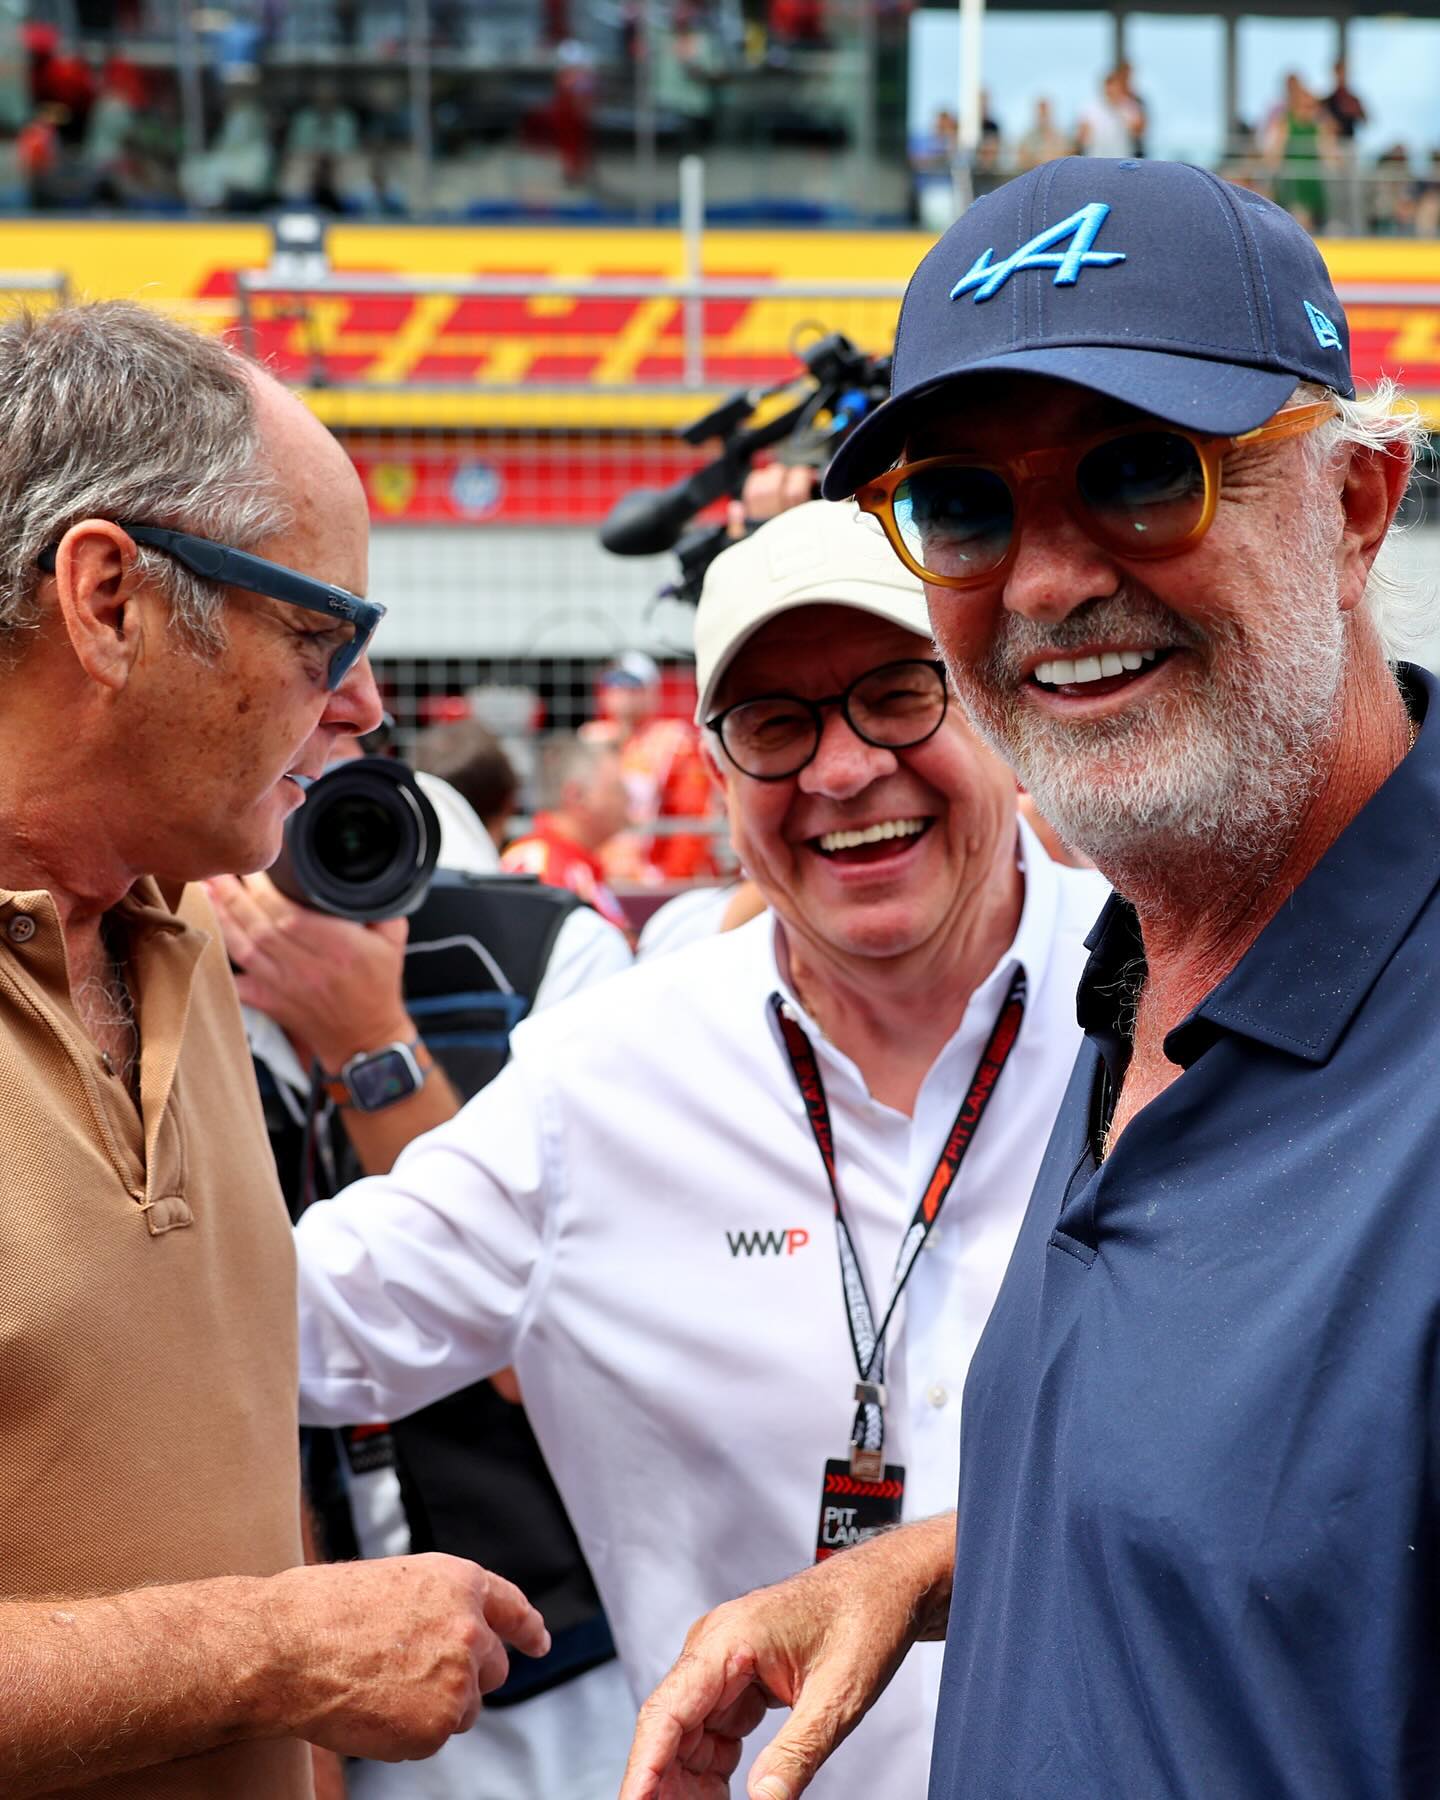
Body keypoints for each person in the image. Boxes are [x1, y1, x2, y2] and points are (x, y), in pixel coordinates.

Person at [624, 156, 1435, 1800]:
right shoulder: (1138, 954)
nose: (1049, 580)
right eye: (968, 507)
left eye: (1143, 474)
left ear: (1354, 506)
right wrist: (936, 1569)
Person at [293, 498, 1108, 1800]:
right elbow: (268, 1331)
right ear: (720, 780)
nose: (842, 771)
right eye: (777, 725)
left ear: (994, 712)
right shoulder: (600, 1080)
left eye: (898, 696)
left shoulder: (1183, 996)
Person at [0, 299, 549, 1798]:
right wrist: (276, 1655)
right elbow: (277, 1620)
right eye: (321, 634)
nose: (364, 706)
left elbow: (231, 1455)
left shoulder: (184, 935)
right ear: (107, 600)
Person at [586, 650, 723, 882]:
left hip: (652, 876)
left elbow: (691, 817)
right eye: (614, 683)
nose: (622, 693)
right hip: (602, 875)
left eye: (632, 685)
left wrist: (670, 876)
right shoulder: (591, 739)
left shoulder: (674, 742)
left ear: (652, 693)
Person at [501, 733, 633, 933]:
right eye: (617, 789)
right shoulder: (542, 868)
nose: (628, 799)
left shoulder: (573, 863)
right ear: (577, 796)